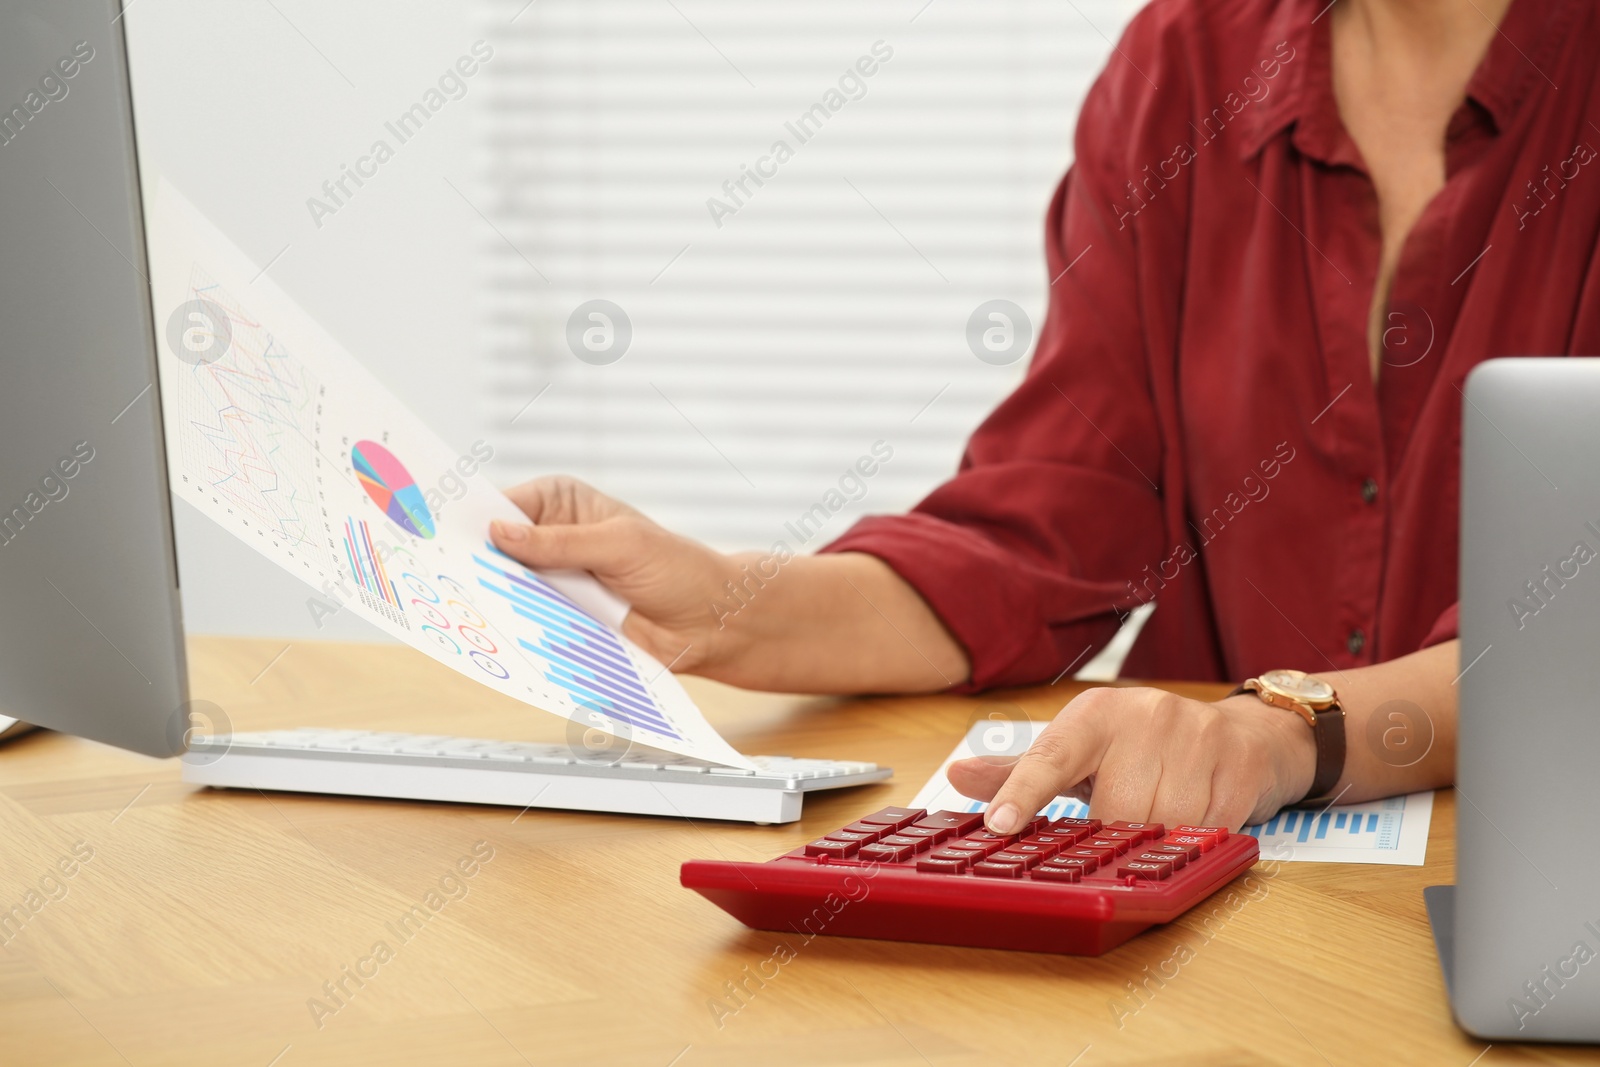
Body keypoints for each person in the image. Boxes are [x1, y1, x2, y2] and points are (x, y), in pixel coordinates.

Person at [490, 0, 1599, 831]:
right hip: (1215, 895)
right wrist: (719, 604)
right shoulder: (1186, 61)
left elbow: (1574, 627)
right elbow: (1053, 527)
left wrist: (1280, 732)